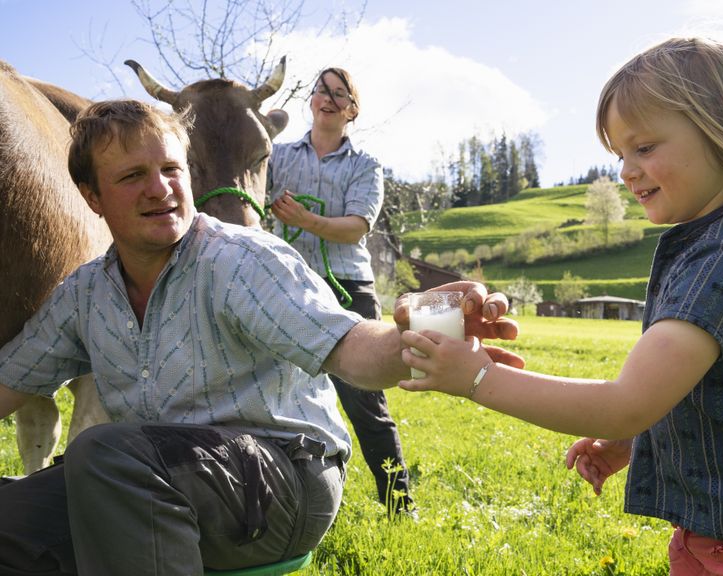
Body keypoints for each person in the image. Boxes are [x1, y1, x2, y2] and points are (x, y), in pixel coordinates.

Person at [398, 37, 723, 575]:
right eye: (620, 154)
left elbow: (630, 399)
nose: (626, 170)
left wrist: (476, 377)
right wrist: (631, 442)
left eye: (644, 148)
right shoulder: (713, 245)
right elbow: (698, 387)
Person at [0, 99, 519, 575]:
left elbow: (355, 349)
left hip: (285, 478)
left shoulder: (242, 260)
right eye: (134, 175)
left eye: (172, 170)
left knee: (103, 451)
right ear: (92, 197)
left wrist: (426, 328)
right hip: (149, 478)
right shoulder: (86, 293)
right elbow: (10, 383)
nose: (159, 189)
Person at [267, 67, 413, 515]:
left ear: (352, 110)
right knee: (276, 394)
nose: (327, 98)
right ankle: (281, 500)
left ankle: (399, 502)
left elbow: (355, 229)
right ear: (311, 101)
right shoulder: (276, 157)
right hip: (286, 281)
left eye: (338, 93)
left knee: (365, 401)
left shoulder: (365, 165)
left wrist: (305, 221)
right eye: (320, 90)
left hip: (346, 287)